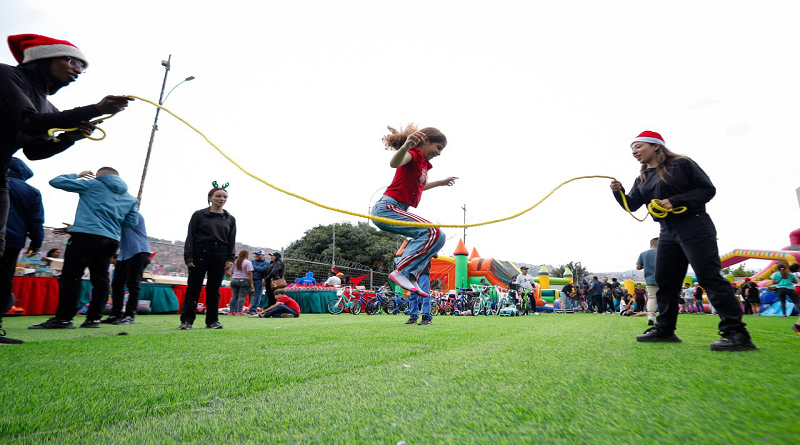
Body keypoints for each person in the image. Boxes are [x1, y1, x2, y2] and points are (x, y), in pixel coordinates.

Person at [610, 130, 756, 351]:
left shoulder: (681, 164)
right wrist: (618, 192)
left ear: (656, 145)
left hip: (694, 224)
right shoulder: (642, 178)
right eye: (632, 148)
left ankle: (737, 333)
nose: (634, 151)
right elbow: (631, 205)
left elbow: (708, 190)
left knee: (708, 276)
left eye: (638, 146)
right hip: (667, 231)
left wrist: (675, 200)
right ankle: (665, 330)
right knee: (665, 281)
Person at [1, 34, 132, 257]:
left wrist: (69, 138)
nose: (78, 70)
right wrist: (96, 109)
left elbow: (34, 151)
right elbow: (28, 121)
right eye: (73, 62)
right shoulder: (7, 74)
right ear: (43, 57)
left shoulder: (48, 108)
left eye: (82, 68)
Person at [29, 167, 138, 329]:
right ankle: (94, 319)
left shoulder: (94, 184)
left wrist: (77, 175)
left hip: (85, 236)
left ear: (99, 175)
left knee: (71, 277)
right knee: (101, 279)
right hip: (111, 239)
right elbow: (131, 222)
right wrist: (111, 225)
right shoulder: (130, 198)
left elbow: (56, 182)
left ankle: (64, 319)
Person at [370, 125, 457, 297]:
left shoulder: (423, 164)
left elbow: (420, 186)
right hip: (387, 208)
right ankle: (401, 270)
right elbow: (394, 163)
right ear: (426, 141)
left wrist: (441, 183)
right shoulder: (413, 154)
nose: (439, 153)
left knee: (439, 237)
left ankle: (411, 274)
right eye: (438, 148)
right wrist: (406, 146)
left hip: (398, 209)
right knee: (432, 231)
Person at [178, 185, 236, 330]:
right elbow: (190, 235)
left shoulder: (230, 219)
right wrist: (188, 256)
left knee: (214, 289)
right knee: (194, 287)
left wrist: (230, 258)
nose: (222, 199)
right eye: (218, 196)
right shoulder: (199, 215)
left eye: (225, 197)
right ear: (210, 198)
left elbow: (231, 239)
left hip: (220, 254)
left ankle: (212, 321)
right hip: (200, 253)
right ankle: (187, 321)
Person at [0, 158, 43, 344]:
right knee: (2, 281)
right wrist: (36, 242)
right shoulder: (30, 191)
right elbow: (35, 220)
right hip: (11, 240)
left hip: (10, 238)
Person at [102, 213, 150, 325]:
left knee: (133, 284)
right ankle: (116, 314)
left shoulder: (134, 215)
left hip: (139, 252)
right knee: (117, 284)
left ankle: (129, 315)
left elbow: (114, 222)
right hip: (124, 254)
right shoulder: (120, 214)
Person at [770, 263, 800, 333]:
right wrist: (789, 281)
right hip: (790, 288)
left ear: (778, 268)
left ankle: (784, 314)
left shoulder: (776, 274)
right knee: (796, 302)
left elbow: (773, 282)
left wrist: (779, 282)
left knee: (782, 302)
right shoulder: (790, 274)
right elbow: (795, 281)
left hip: (780, 289)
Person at [407, 255, 436, 325]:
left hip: (423, 271)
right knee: (412, 295)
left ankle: (426, 317)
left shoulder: (428, 247)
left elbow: (436, 255)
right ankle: (413, 317)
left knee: (425, 294)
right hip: (413, 272)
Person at [636, 237, 659, 325]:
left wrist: (645, 265)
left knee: (652, 298)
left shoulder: (643, 254)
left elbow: (638, 267)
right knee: (664, 298)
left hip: (650, 279)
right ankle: (664, 316)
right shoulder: (664, 252)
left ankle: (651, 316)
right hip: (664, 278)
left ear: (650, 245)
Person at [228, 249, 254, 316]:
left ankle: (231, 311)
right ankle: (239, 311)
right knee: (241, 297)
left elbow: (231, 272)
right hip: (244, 280)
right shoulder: (248, 262)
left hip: (234, 280)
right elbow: (249, 273)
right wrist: (251, 283)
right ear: (247, 255)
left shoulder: (234, 262)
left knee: (234, 296)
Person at [248, 250, 269, 315]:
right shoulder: (252, 261)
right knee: (244, 295)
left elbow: (263, 269)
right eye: (256, 254)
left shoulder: (266, 263)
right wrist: (258, 268)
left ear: (263, 255)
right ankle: (240, 309)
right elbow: (249, 270)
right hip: (249, 280)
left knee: (257, 296)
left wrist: (253, 267)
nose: (256, 255)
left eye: (258, 254)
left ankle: (253, 310)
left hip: (259, 280)